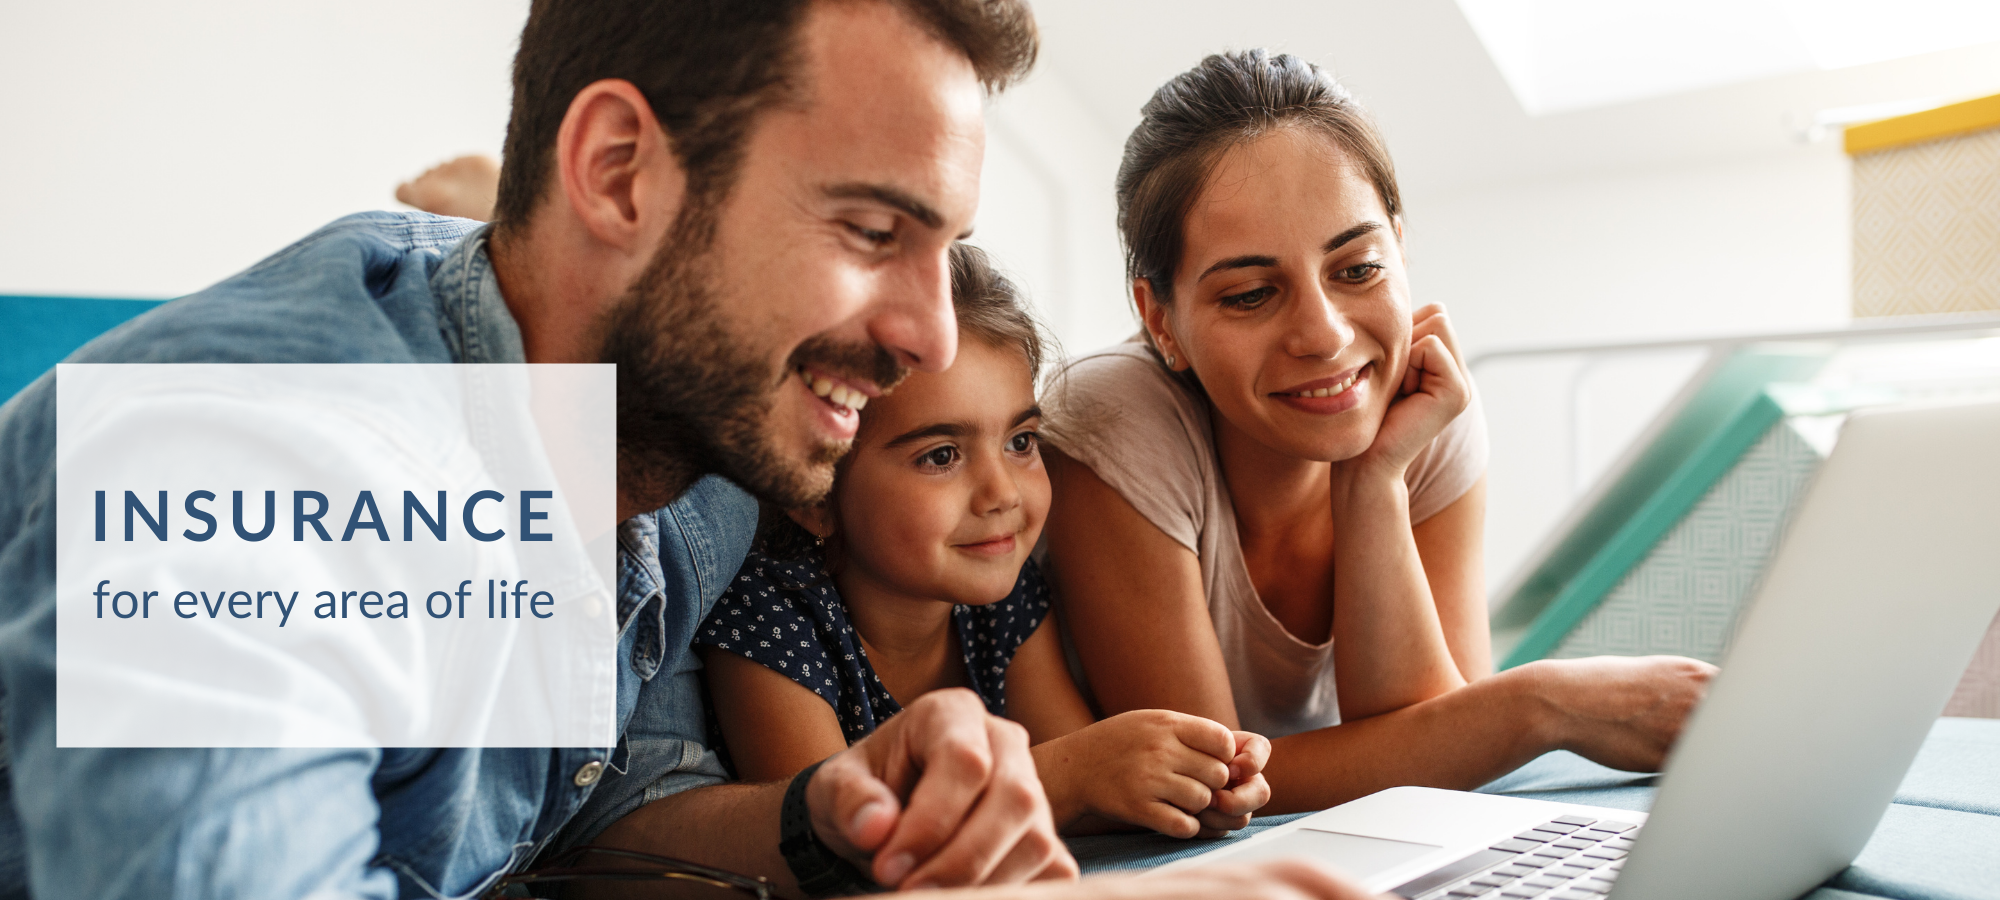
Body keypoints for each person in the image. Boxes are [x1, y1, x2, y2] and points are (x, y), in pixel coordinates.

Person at [0, 5, 1373, 900]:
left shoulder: (693, 447)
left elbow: (600, 823)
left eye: (944, 251)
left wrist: (831, 807)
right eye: (870, 233)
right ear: (614, 173)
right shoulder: (233, 466)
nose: (919, 334)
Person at [1039, 50, 1718, 815]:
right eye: (1253, 294)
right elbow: (1217, 785)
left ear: (1399, 246)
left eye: (1357, 268)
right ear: (1160, 319)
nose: (1323, 337)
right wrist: (1546, 704)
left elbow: (1449, 738)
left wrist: (1372, 479)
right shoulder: (1113, 418)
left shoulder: (1423, 406)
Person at [696, 243, 1272, 842]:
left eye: (1021, 442)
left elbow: (1077, 784)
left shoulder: (1001, 594)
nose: (1002, 494)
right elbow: (833, 847)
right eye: (941, 456)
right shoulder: (769, 618)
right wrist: (1079, 773)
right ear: (815, 494)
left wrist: (1186, 785)